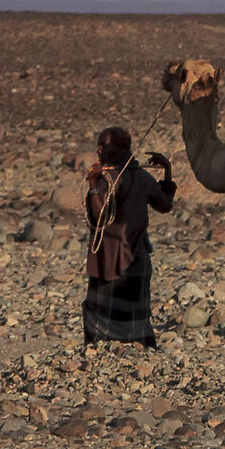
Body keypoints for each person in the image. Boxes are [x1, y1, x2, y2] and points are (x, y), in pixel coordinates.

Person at [82, 126, 175, 347]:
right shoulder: (142, 177)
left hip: (110, 258)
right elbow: (165, 204)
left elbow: (101, 217)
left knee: (101, 310)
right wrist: (167, 170)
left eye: (104, 144)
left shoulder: (108, 179)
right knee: (134, 310)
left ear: (119, 147)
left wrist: (93, 184)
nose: (98, 149)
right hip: (136, 257)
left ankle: (104, 352)